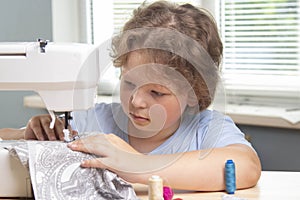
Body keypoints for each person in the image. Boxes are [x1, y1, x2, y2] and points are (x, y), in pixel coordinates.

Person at [2, 1, 261, 191]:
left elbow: (247, 165)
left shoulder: (205, 131)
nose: (137, 101)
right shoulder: (93, 121)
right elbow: (4, 137)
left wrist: (137, 165)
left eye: (156, 92)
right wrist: (27, 133)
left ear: (194, 94)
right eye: (129, 83)